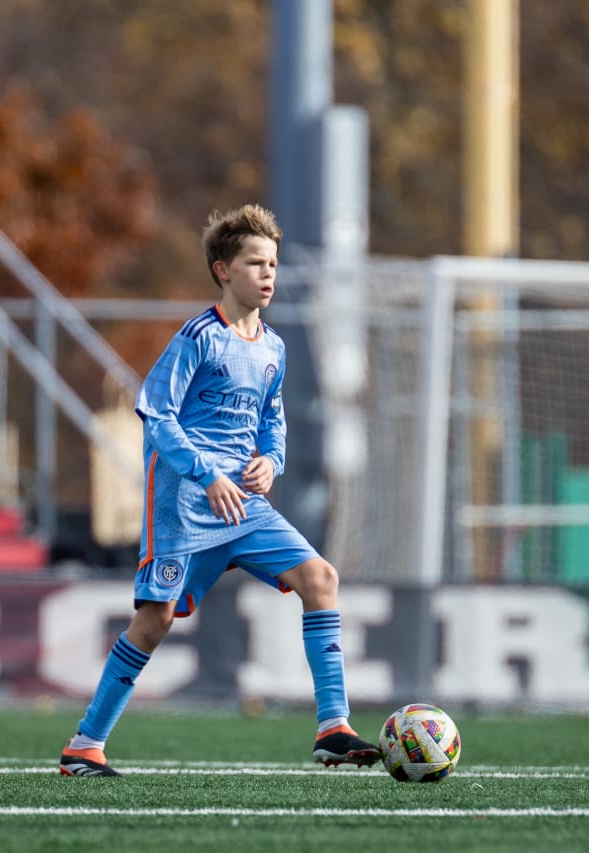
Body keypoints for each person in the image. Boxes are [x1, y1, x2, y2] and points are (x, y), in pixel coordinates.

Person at [59, 203, 380, 777]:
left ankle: (333, 726)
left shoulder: (274, 348)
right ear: (222, 270)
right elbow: (156, 414)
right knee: (154, 623)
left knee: (320, 578)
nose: (268, 274)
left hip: (245, 506)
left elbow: (270, 421)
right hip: (185, 502)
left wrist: (271, 462)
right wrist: (207, 474)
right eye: (255, 262)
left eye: (273, 264)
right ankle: (86, 745)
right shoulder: (198, 338)